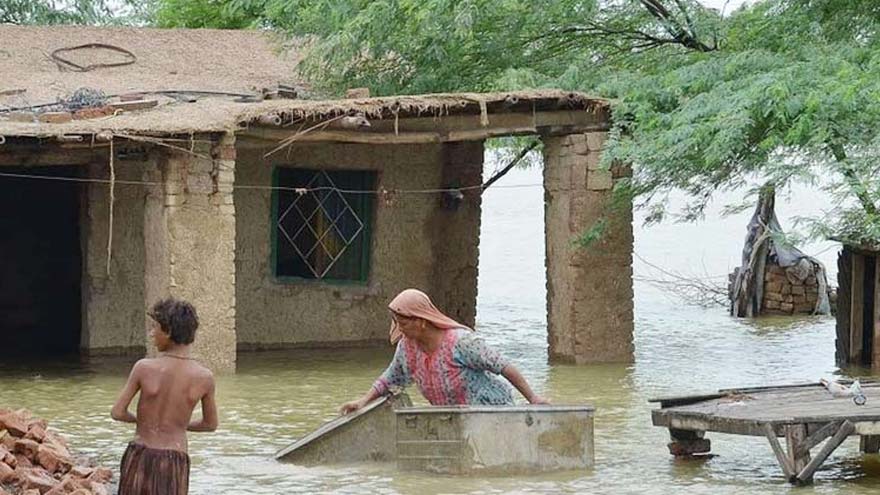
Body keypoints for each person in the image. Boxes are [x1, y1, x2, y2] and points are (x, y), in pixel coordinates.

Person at [340, 289, 548, 414]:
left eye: (403, 323)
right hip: (451, 419)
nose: (400, 330)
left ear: (421, 321)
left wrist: (533, 398)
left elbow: (503, 366)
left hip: (491, 412)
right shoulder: (407, 348)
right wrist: (362, 401)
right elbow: (390, 378)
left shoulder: (461, 343)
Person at [111, 297, 218, 495]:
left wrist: (142, 420)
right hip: (173, 460)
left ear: (168, 331)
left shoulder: (143, 367)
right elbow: (210, 424)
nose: (152, 333)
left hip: (140, 454)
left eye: (155, 328)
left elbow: (117, 412)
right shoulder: (204, 377)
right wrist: (178, 425)